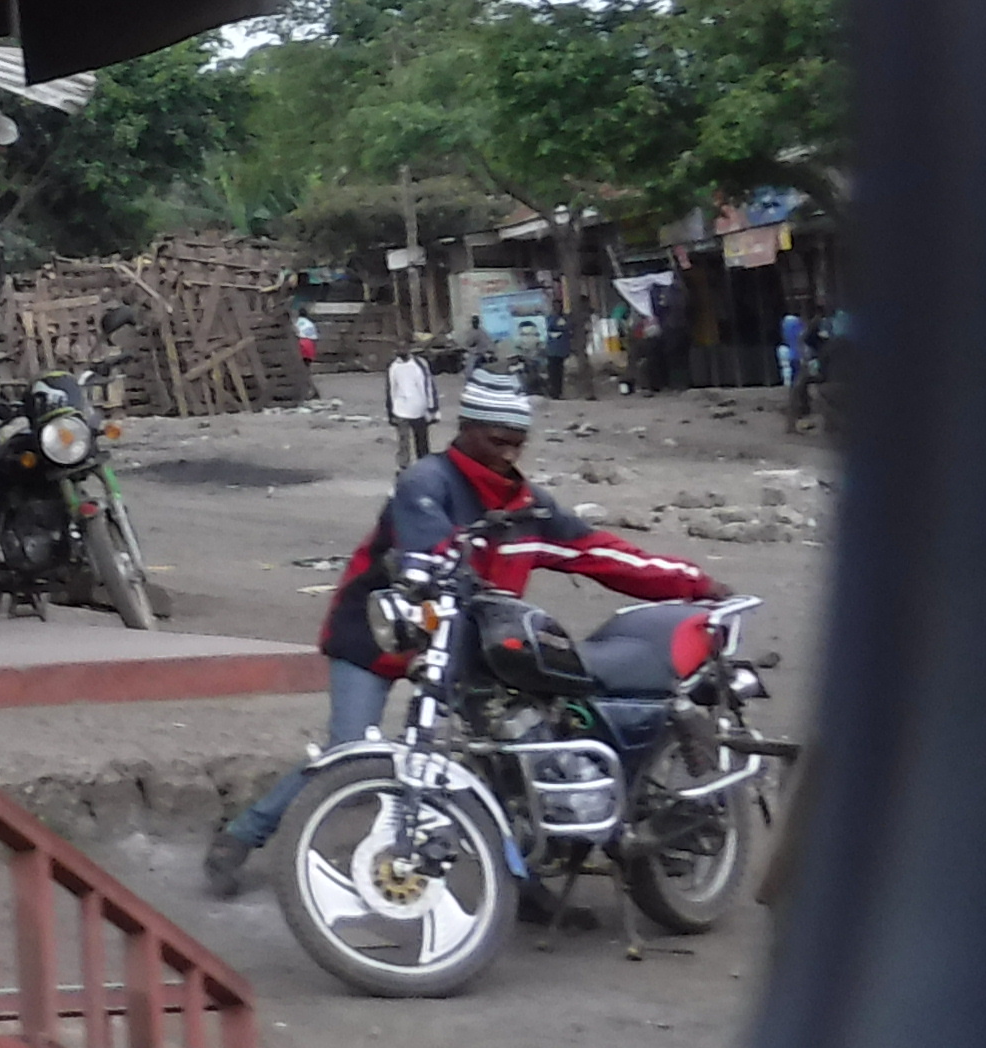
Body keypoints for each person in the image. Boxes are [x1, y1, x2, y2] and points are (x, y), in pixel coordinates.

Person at [206, 367, 714, 894]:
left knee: (503, 753)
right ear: (467, 428)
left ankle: (521, 881)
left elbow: (603, 555)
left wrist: (695, 583)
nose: (510, 454)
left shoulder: (528, 506)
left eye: (519, 443)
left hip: (466, 646)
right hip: (379, 633)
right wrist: (451, 572)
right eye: (498, 441)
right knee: (348, 752)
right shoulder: (426, 483)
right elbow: (431, 551)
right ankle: (244, 834)